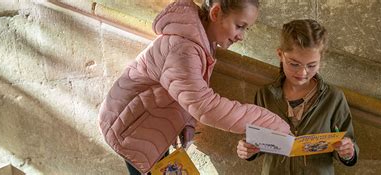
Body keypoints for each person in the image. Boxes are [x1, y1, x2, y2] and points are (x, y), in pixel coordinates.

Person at [98, 0, 291, 174]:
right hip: (131, 130)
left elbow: (188, 90)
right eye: (239, 26)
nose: (241, 36)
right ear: (215, 14)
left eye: (246, 29)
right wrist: (272, 124)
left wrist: (185, 121)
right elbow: (206, 107)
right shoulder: (184, 49)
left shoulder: (200, 41)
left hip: (145, 124)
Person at [236, 19, 359, 174]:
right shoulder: (264, 95)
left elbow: (348, 143)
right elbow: (256, 143)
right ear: (280, 54)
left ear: (321, 61)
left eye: (312, 65)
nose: (302, 73)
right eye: (294, 64)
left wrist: (348, 152)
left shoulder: (334, 98)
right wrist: (247, 150)